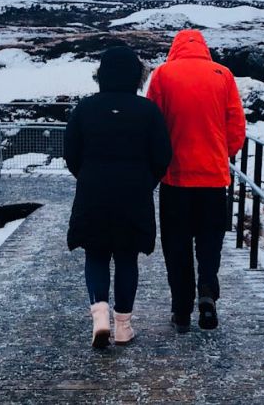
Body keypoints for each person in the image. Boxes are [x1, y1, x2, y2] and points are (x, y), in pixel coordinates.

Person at [64, 46, 172, 348]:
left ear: (102, 74)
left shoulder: (85, 108)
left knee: (95, 253)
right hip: (134, 195)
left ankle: (99, 314)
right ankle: (123, 326)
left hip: (93, 192)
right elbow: (163, 156)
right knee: (127, 257)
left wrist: (87, 177)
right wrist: (145, 182)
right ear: (137, 77)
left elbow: (71, 153)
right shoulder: (148, 111)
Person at [146, 29, 246, 333]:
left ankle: (181, 310)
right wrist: (221, 153)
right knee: (209, 241)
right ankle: (206, 289)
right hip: (214, 179)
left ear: (175, 48)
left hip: (175, 179)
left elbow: (153, 124)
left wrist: (160, 161)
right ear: (204, 48)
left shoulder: (163, 75)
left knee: (176, 246)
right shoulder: (223, 74)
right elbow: (236, 124)